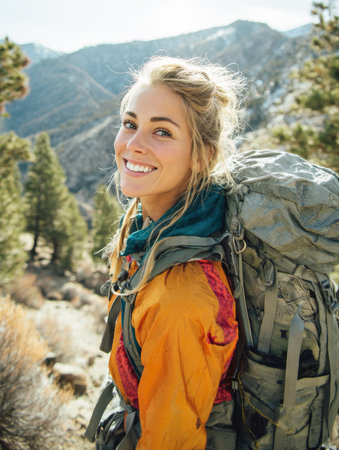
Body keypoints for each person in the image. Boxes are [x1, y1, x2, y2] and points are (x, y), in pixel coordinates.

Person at [104, 56, 244, 449]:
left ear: (201, 156)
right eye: (130, 123)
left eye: (162, 132)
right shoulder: (147, 228)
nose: (133, 144)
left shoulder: (180, 297)